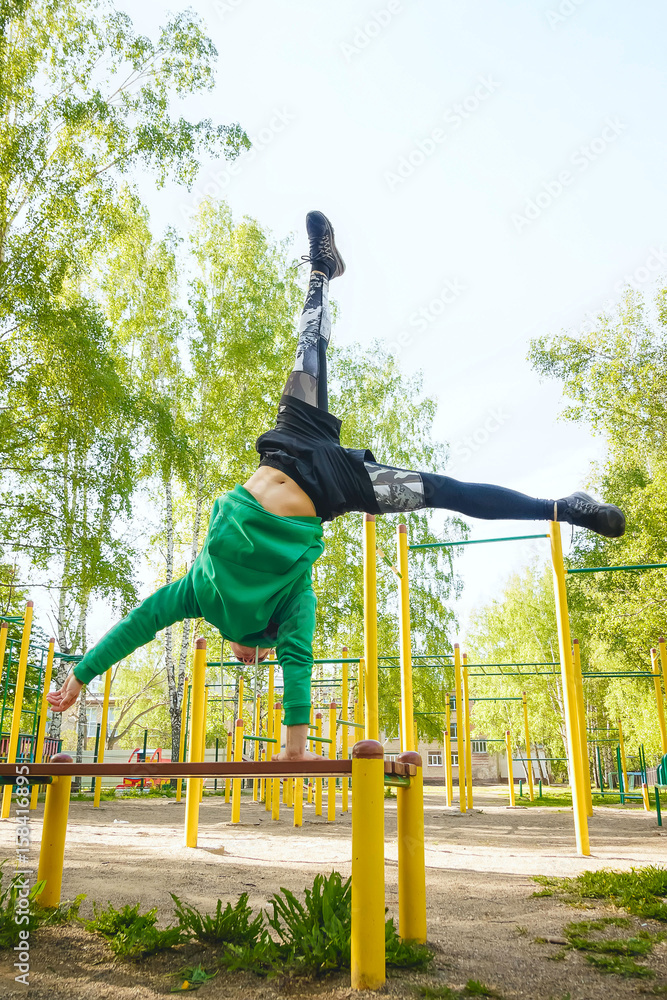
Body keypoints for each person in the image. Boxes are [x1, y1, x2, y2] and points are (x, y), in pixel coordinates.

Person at [47, 211, 625, 759]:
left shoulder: (213, 596)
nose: (251, 660)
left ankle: (322, 270)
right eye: (257, 659)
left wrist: (81, 673)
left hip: (301, 456)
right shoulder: (260, 599)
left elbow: (146, 623)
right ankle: (563, 509)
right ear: (260, 641)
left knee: (331, 369)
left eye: (250, 661)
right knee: (436, 481)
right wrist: (295, 739)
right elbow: (275, 653)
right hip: (319, 477)